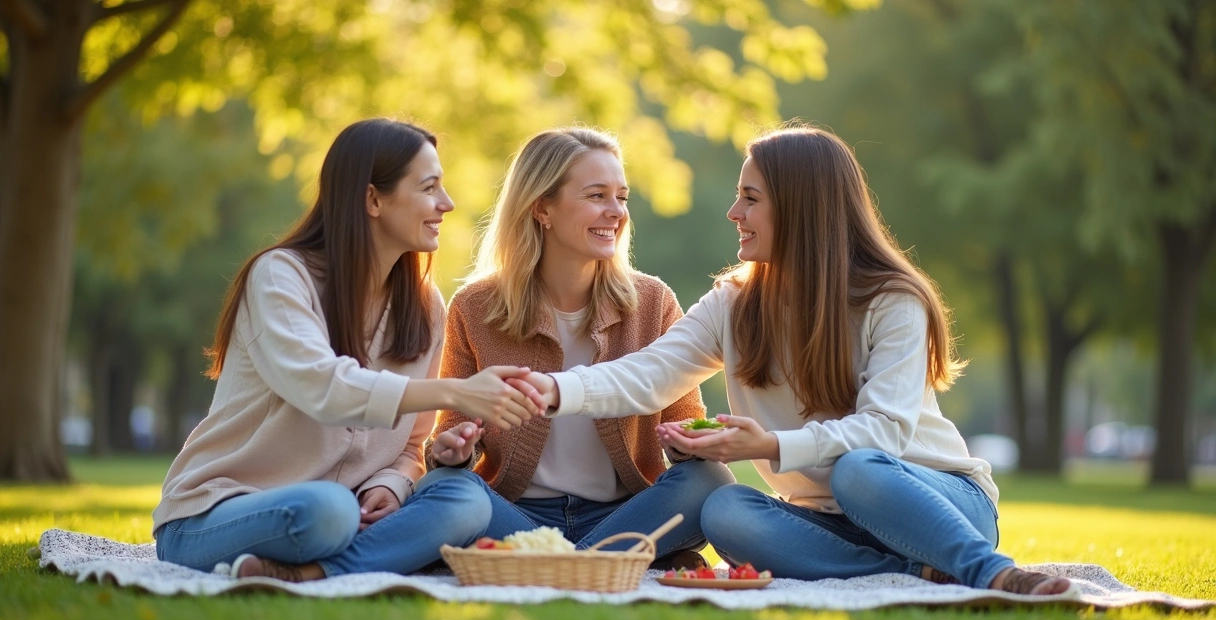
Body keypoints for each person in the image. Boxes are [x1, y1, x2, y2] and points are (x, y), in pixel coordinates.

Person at [525, 125, 1074, 596]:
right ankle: (914, 569)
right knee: (726, 509)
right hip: (829, 522)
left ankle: (990, 571)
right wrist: (554, 391)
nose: (733, 212)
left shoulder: (891, 300)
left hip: (935, 500)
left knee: (858, 468)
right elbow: (647, 374)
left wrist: (769, 446)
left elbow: (882, 432)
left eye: (751, 197)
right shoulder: (734, 302)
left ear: (801, 206)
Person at [152, 118, 544, 582]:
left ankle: (313, 573)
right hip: (219, 514)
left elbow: (412, 446)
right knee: (328, 510)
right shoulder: (281, 276)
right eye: (429, 187)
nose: (447, 203)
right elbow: (322, 387)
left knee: (465, 498)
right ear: (373, 199)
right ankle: (370, 553)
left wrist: (392, 483)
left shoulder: (424, 305)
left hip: (347, 512)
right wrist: (455, 392)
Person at [426, 127, 734, 567]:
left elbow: (683, 428)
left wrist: (692, 442)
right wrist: (449, 453)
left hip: (625, 511)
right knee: (439, 489)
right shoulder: (475, 307)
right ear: (542, 208)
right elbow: (451, 436)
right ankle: (610, 562)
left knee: (711, 480)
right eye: (597, 196)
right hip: (515, 513)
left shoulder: (653, 301)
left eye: (622, 197)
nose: (616, 212)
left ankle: (553, 564)